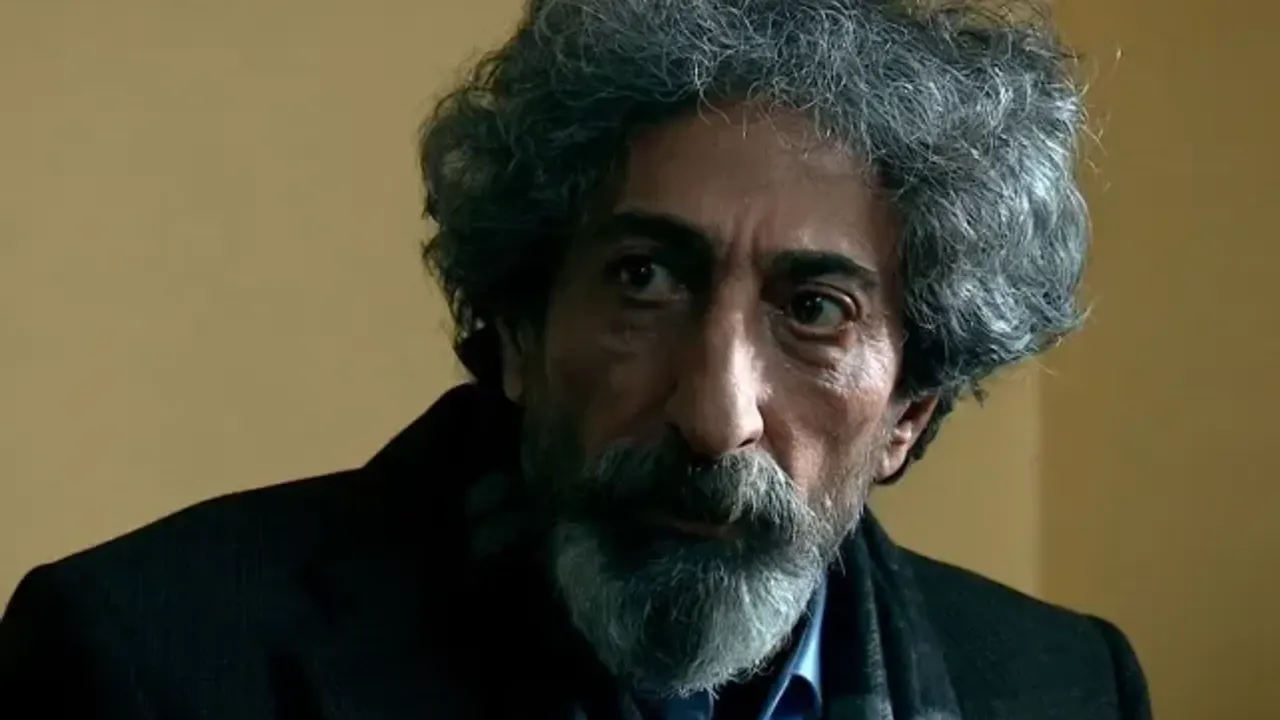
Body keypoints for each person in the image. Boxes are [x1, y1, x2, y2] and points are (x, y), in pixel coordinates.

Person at [0, 0, 1151, 717]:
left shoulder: (1063, 687)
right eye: (644, 279)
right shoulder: (144, 660)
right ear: (517, 329)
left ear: (908, 411)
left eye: (814, 309)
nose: (714, 417)